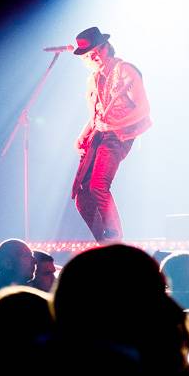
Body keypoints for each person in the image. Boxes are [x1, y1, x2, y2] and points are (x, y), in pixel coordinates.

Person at [70, 26, 151, 242]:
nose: (94, 56)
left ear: (107, 47)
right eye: (88, 55)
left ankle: (116, 239)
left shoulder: (125, 70)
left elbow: (143, 110)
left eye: (97, 50)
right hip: (100, 134)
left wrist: (115, 124)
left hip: (120, 135)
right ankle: (104, 241)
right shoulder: (93, 80)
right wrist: (83, 134)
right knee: (81, 194)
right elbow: (95, 115)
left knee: (98, 184)